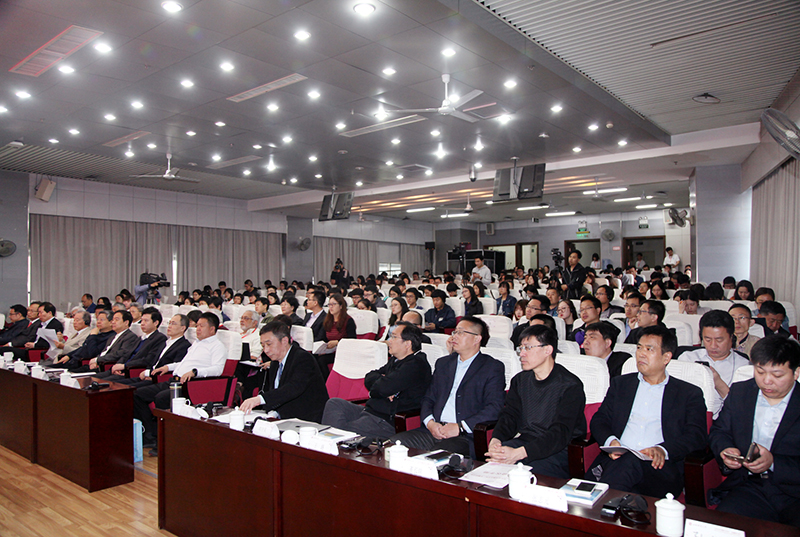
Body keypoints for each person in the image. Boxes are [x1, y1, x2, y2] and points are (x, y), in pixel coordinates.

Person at [585, 325, 707, 498]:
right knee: (628, 488)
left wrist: (663, 450)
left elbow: (696, 435)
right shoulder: (621, 384)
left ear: (666, 357)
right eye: (639, 348)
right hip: (616, 460)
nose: (641, 354)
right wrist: (611, 442)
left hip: (659, 468)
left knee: (628, 464)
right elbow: (600, 419)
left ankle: (598, 504)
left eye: (649, 349)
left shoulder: (688, 393)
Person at [708, 336, 800, 526]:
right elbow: (719, 431)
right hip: (751, 486)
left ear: (796, 372)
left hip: (794, 491)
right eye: (760, 372)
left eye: (777, 375)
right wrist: (725, 449)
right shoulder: (741, 392)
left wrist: (773, 463)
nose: (767, 381)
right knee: (724, 525)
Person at [389, 316, 505, 458]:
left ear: (477, 339)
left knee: (436, 458)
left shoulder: (492, 367)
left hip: (463, 436)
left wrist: (460, 427)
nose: (454, 336)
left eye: (460, 332)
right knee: (393, 448)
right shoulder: (443, 363)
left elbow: (494, 407)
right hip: (432, 430)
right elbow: (428, 398)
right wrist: (430, 423)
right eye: (454, 332)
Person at [485, 324, 586, 477]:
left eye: (528, 348)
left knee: (520, 476)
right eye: (520, 348)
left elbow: (560, 433)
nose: (521, 354)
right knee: (491, 466)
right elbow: (510, 416)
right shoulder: (520, 381)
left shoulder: (570, 386)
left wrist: (519, 454)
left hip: (558, 450)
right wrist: (496, 439)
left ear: (548, 350)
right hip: (525, 442)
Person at [322, 322, 432, 439]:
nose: (389, 341)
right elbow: (369, 377)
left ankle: (333, 444)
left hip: (387, 421)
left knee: (344, 430)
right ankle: (333, 443)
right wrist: (383, 384)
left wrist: (382, 386)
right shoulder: (396, 360)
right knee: (334, 404)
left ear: (407, 344)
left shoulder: (416, 365)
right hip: (371, 411)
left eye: (394, 337)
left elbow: (382, 388)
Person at [136, 312, 227, 452]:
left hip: (190, 385)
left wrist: (195, 372)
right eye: (197, 326)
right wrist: (168, 367)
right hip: (174, 380)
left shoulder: (217, 346)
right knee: (138, 394)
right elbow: (184, 363)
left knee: (161, 398)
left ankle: (165, 442)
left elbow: (218, 369)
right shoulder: (196, 343)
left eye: (201, 326)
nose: (197, 329)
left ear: (212, 329)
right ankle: (150, 435)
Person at [240, 321, 329, 422]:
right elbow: (275, 391)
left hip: (307, 418)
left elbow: (293, 388)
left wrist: (259, 399)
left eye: (269, 344)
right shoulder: (275, 362)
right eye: (263, 346)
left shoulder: (303, 358)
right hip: (285, 417)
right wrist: (272, 412)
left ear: (284, 341)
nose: (266, 350)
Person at [678, 310, 750, 417]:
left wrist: (718, 383)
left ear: (731, 337)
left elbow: (742, 409)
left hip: (724, 422)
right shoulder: (687, 358)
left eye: (719, 340)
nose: (713, 346)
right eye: (707, 339)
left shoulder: (744, 366)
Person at [117, 314, 192, 388]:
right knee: (117, 384)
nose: (169, 326)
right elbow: (152, 361)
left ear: (183, 328)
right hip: (149, 375)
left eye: (173, 324)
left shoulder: (184, 346)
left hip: (160, 380)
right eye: (169, 323)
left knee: (129, 390)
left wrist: (150, 374)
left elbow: (175, 368)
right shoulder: (165, 343)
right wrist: (147, 371)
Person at [97, 307, 168, 380]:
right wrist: (118, 365)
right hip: (123, 369)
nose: (142, 323)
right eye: (142, 320)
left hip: (133, 371)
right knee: (94, 378)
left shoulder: (159, 338)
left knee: (103, 382)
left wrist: (124, 366)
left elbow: (147, 360)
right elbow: (126, 354)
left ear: (156, 323)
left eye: (146, 321)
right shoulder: (140, 338)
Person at [71, 310, 140, 372]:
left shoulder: (130, 337)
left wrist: (97, 360)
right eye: (113, 320)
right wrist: (96, 361)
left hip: (107, 366)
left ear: (126, 322)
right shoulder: (112, 337)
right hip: (98, 364)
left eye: (116, 320)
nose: (113, 322)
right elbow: (104, 352)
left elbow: (119, 354)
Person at [315, 293, 357, 378]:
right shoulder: (327, 320)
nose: (331, 307)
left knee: (322, 360)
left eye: (334, 304)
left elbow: (352, 340)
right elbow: (322, 337)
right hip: (329, 351)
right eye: (329, 304)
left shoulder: (348, 321)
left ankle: (327, 382)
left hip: (343, 352)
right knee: (313, 357)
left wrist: (337, 342)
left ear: (341, 306)